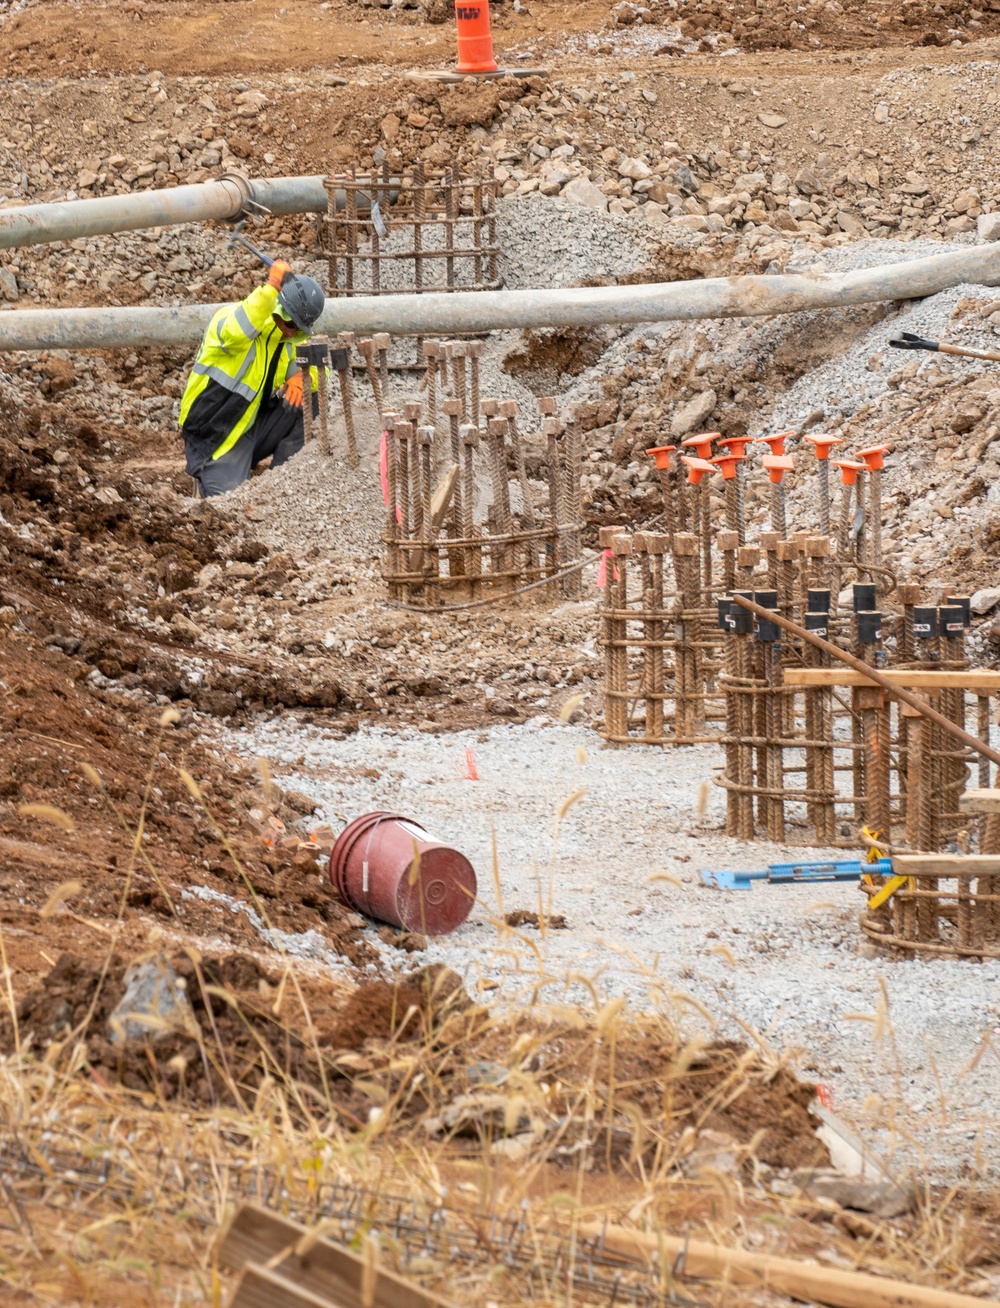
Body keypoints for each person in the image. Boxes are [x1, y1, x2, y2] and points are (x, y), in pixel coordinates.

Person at [178, 260, 325, 497]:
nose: (292, 332)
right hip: (215, 437)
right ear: (278, 309)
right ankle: (210, 477)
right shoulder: (230, 320)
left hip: (250, 426)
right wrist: (270, 290)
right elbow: (236, 330)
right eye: (290, 324)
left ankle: (284, 480)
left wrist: (300, 377)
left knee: (310, 398)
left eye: (298, 329)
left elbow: (320, 370)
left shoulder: (286, 339)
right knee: (231, 505)